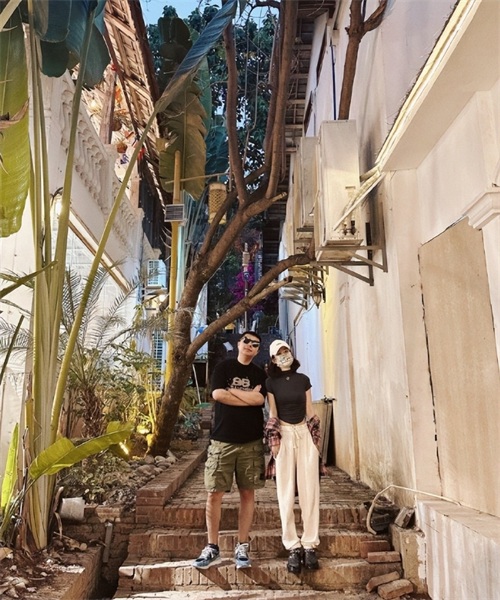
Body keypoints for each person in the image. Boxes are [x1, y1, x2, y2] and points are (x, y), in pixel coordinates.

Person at [192, 331, 267, 570]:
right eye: (246, 341)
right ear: (239, 343)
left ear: (257, 350)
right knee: (214, 493)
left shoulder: (260, 374)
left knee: (248, 493)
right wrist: (247, 395)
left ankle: (242, 545)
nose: (250, 345)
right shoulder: (223, 368)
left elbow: (259, 401)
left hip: (251, 442)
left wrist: (232, 392)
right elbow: (217, 394)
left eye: (255, 344)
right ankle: (212, 546)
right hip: (222, 441)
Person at [265, 340, 321, 574]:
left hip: (304, 433)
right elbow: (273, 413)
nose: (283, 355)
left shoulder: (303, 380)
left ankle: (309, 543)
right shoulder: (271, 383)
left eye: (285, 350)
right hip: (285, 434)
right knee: (285, 491)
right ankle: (292, 545)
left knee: (310, 490)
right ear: (273, 359)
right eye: (279, 353)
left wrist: (316, 441)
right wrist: (274, 442)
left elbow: (310, 411)